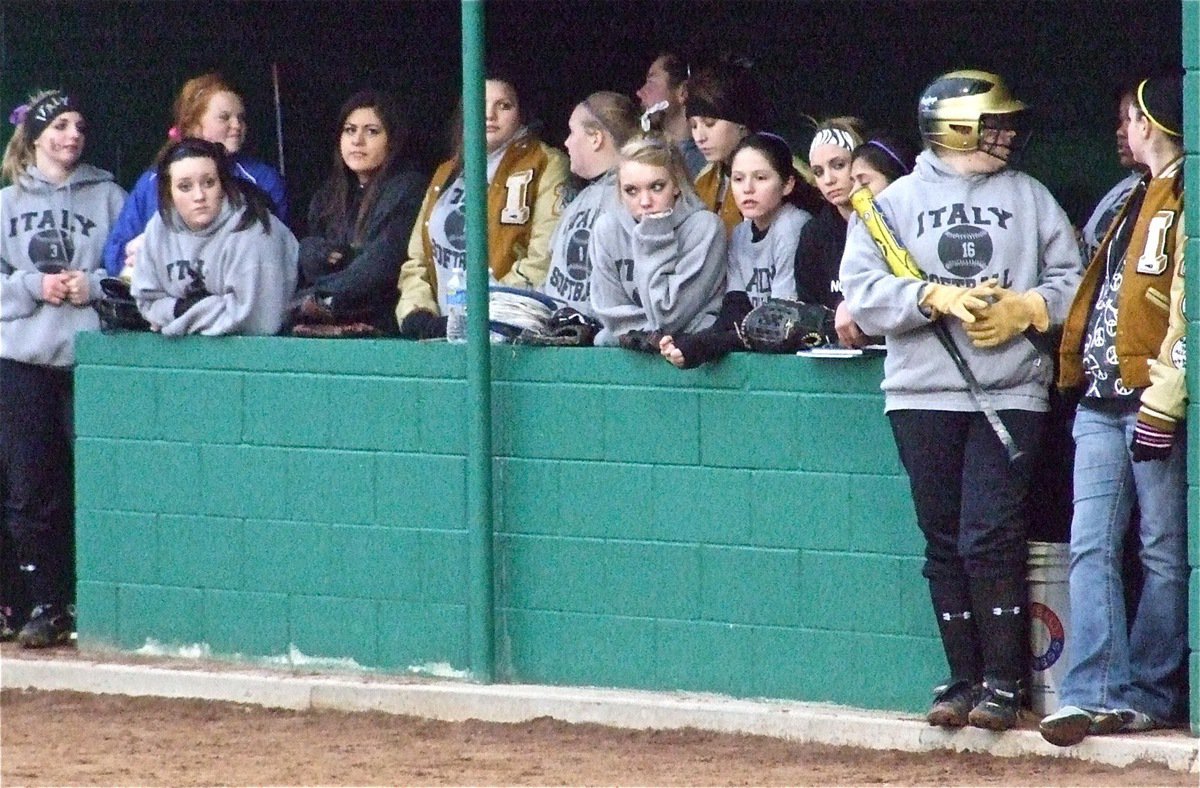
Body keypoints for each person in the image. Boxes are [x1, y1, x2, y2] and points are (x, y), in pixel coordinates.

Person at [840, 69, 1083, 731]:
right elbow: (860, 291)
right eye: (993, 122)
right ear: (956, 128)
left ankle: (1005, 685)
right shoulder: (893, 204)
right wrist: (929, 298)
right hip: (923, 391)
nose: (1007, 132)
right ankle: (962, 682)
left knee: (992, 535)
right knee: (943, 540)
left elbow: (1076, 280)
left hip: (1011, 392)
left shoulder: (1031, 198)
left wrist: (1031, 307)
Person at [1040, 74, 1188, 746]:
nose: (1123, 130)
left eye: (1130, 117)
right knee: (1091, 543)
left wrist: (1168, 392)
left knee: (1160, 550)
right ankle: (1092, 691)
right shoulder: (1129, 196)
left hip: (1152, 396)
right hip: (1100, 397)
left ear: (1151, 121)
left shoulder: (1187, 186)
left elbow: (1186, 310)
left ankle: (1150, 692)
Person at [0, 90, 126, 647]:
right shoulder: (5, 205)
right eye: (60, 125)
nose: (72, 135)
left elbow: (133, 270)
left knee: (89, 480)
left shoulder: (110, 196)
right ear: (35, 136)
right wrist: (34, 284)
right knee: (30, 489)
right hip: (22, 361)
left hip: (89, 361)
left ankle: (86, 597)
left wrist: (92, 285)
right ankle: (43, 601)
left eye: (79, 125)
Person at [396, 74, 568, 339]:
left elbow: (544, 257)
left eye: (504, 106)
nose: (489, 114)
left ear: (522, 113)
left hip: (505, 335)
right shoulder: (446, 171)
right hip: (441, 332)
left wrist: (491, 311)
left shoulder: (544, 162)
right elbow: (416, 260)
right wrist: (417, 313)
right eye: (480, 103)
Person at [102, 73, 287, 277]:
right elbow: (115, 254)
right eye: (225, 117)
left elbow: (279, 250)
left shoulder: (262, 179)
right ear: (194, 125)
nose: (237, 125)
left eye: (241, 118)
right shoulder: (155, 180)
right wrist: (139, 257)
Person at [658, 132, 812, 368]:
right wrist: (695, 341)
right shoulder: (740, 233)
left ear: (788, 184)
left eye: (761, 178)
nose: (747, 189)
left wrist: (704, 346)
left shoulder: (792, 225)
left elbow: (779, 320)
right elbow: (735, 308)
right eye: (738, 179)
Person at [131, 137, 298, 335]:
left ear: (223, 185)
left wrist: (178, 313)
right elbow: (146, 302)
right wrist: (183, 309)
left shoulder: (254, 230)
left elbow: (257, 321)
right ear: (169, 192)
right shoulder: (158, 227)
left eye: (209, 183)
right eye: (185, 186)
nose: (199, 195)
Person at [291, 90, 424, 336]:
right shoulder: (328, 196)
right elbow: (308, 264)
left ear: (393, 140)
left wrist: (319, 296)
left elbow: (380, 269)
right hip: (327, 327)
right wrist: (312, 252)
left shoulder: (409, 189)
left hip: (386, 327)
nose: (357, 140)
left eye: (372, 131)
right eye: (349, 130)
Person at [589, 134, 726, 347]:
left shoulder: (705, 228)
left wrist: (655, 235)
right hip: (632, 348)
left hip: (694, 353)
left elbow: (669, 316)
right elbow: (607, 309)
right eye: (631, 190)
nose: (645, 201)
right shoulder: (607, 229)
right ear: (619, 191)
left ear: (677, 185)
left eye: (656, 187)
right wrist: (645, 336)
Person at [542, 90, 641, 316]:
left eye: (572, 132)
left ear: (596, 138)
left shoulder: (638, 196)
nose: (566, 142)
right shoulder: (583, 196)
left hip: (607, 343)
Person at [795, 117, 871, 347]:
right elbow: (806, 308)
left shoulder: (893, 220)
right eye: (818, 172)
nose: (828, 180)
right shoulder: (814, 233)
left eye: (838, 165)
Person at [1079, 83, 1147, 263]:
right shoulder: (1130, 183)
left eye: (1130, 120)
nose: (1120, 132)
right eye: (1121, 120)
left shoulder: (1165, 190)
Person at [635, 51, 707, 177]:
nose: (640, 93)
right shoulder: (643, 153)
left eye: (651, 82)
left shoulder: (707, 160)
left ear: (683, 92)